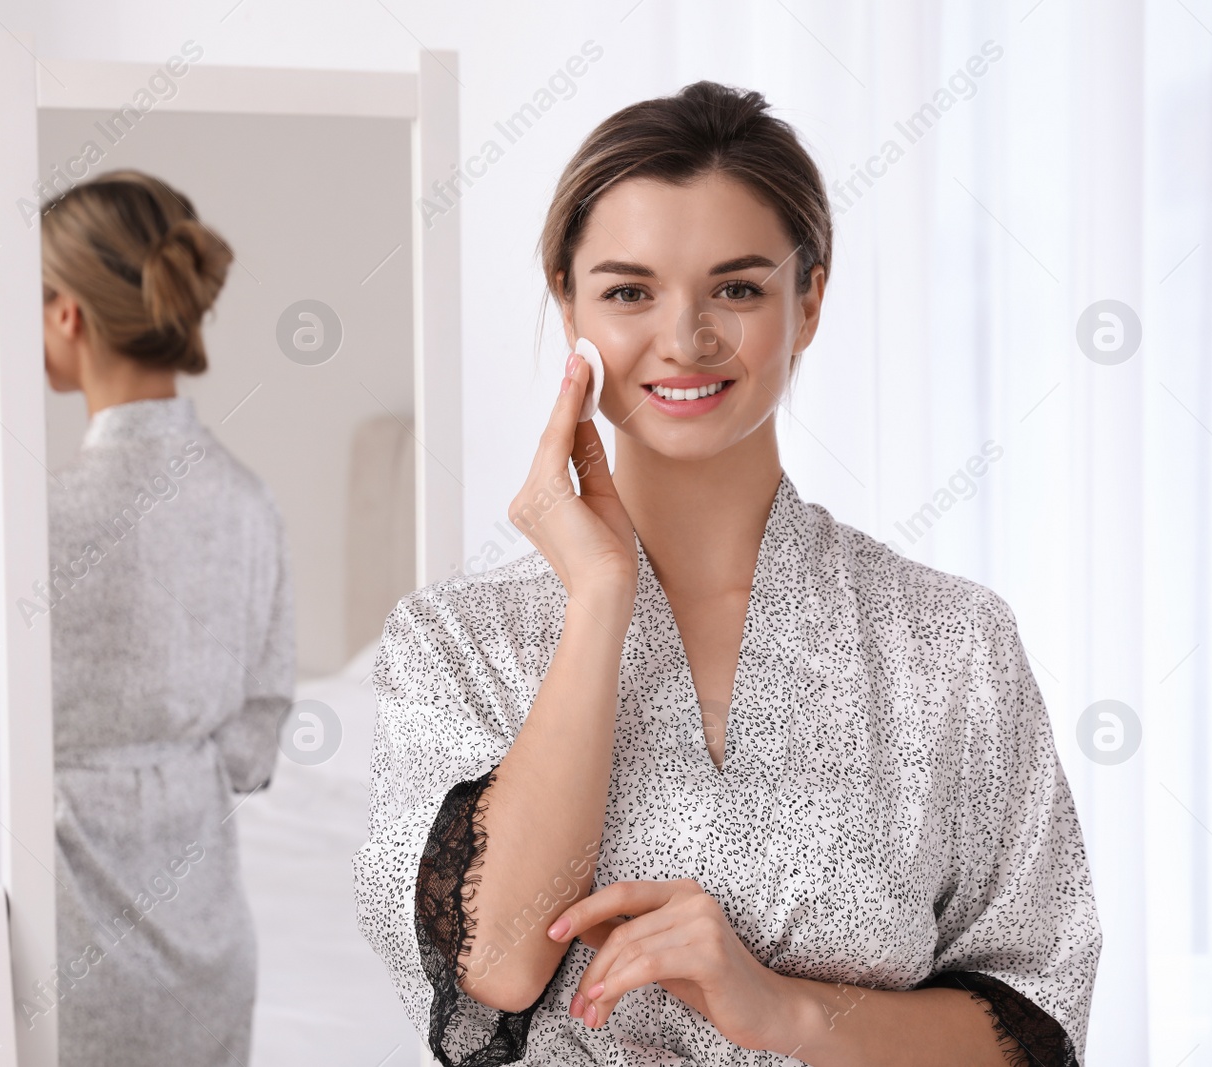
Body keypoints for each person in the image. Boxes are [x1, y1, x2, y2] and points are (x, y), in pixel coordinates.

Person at [353, 82, 1100, 1066]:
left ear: (810, 301)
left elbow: (1034, 1028)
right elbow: (491, 966)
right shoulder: (451, 644)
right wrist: (598, 599)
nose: (686, 335)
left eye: (738, 288)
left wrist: (780, 1008)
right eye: (628, 290)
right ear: (566, 300)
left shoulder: (951, 643)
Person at [38, 169, 294, 1066]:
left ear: (66, 314)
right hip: (210, 949)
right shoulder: (249, 501)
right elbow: (255, 748)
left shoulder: (32, 518)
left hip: (62, 946)